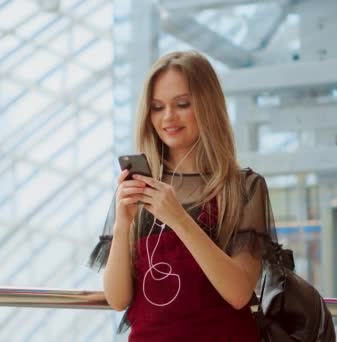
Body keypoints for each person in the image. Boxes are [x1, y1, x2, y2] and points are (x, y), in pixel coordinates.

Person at [88, 50, 277, 341]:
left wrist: (178, 218)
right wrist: (122, 224)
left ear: (207, 105)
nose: (168, 117)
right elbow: (117, 299)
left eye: (182, 104)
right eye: (157, 107)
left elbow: (239, 293)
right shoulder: (140, 185)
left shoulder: (244, 187)